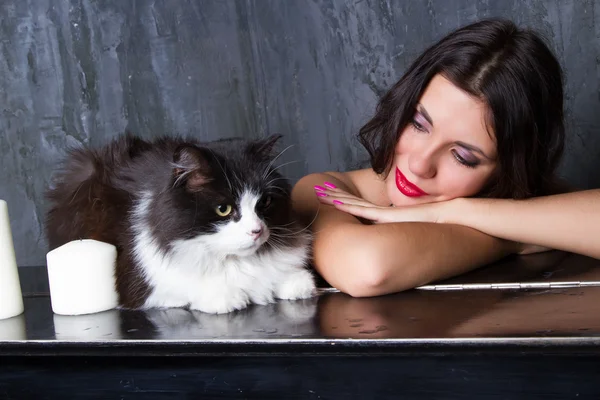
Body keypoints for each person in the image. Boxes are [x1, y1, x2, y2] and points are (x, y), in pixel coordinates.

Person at [291, 18, 600, 297]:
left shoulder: (532, 196)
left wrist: (456, 212)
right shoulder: (324, 189)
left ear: (508, 168)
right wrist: (515, 237)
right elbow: (367, 268)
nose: (419, 164)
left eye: (463, 156)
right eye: (417, 123)